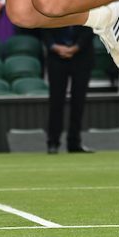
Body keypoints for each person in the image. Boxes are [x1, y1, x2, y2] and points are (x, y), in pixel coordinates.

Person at [44, 25, 94, 153]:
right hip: (56, 57)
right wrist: (54, 47)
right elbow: (44, 28)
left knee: (78, 101)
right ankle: (53, 142)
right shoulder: (51, 6)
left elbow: (90, 27)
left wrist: (76, 48)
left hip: (81, 56)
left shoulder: (86, 5)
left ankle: (74, 142)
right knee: (56, 100)